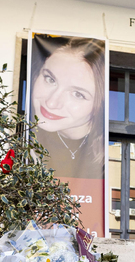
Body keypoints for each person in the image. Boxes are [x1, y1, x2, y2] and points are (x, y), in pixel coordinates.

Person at [29, 36, 106, 180]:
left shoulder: (107, 153)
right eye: (50, 79)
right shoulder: (23, 136)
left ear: (99, 106)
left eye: (77, 94)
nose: (52, 103)